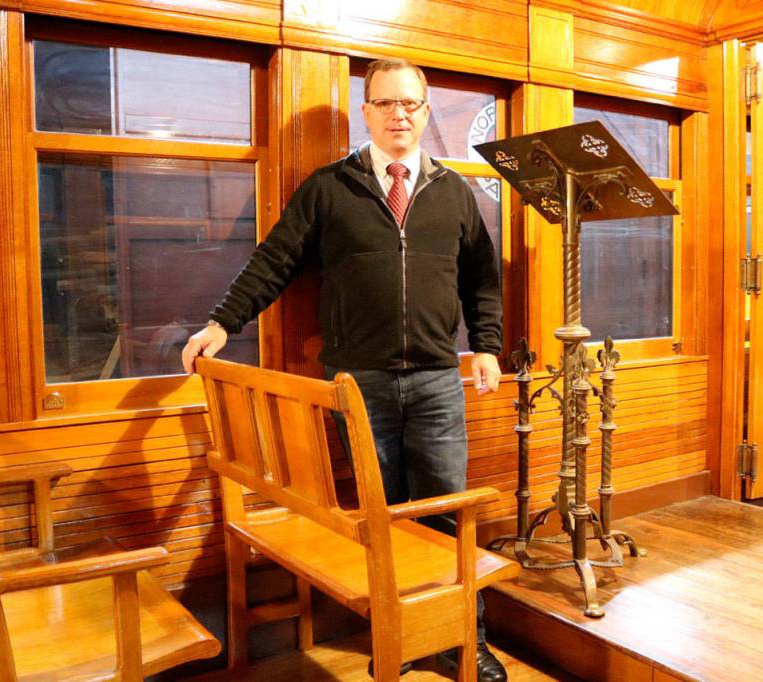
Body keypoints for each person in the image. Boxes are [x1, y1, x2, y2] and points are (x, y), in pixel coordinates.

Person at [181, 57, 507, 681]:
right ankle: (400, 636)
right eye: (385, 103)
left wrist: (486, 344)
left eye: (409, 103)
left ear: (425, 109)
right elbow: (273, 261)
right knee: (380, 520)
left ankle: (465, 637)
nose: (399, 114)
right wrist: (223, 322)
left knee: (444, 512)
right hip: (360, 387)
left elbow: (482, 280)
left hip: (440, 381)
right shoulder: (329, 188)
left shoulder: (454, 192)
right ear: (367, 112)